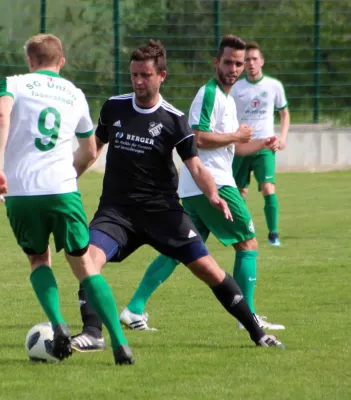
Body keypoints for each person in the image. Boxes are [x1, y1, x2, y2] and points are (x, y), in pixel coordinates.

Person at [69, 39, 284, 353]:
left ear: (162, 76)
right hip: (117, 211)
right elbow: (91, 152)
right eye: (134, 75)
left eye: (145, 75)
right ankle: (92, 333)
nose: (139, 81)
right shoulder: (114, 106)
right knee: (86, 260)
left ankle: (256, 332)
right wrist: (62, 180)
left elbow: (195, 166)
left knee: (208, 269)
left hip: (163, 213)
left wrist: (213, 194)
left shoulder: (173, 120)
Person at [0, 33, 133, 365]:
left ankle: (57, 324)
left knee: (39, 260)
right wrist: (71, 173)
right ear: (61, 61)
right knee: (84, 267)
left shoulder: (14, 83)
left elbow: (0, 116)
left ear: (30, 61)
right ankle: (120, 343)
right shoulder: (75, 94)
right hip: (63, 189)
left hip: (22, 191)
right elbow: (90, 151)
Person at [230, 42, 290, 247]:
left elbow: (284, 113)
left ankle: (273, 234)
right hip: (242, 146)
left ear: (262, 61)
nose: (251, 63)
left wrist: (282, 138)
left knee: (267, 187)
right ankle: (243, 232)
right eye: (247, 59)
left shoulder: (274, 86)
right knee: (240, 192)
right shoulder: (236, 88)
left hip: (266, 145)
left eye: (254, 59)